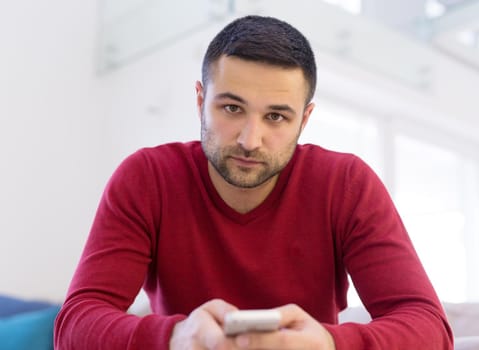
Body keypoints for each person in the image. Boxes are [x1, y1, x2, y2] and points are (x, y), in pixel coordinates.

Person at [54, 15, 453, 350]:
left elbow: (431, 328)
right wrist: (176, 336)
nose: (250, 139)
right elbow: (74, 325)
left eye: (276, 116)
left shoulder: (346, 184)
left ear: (305, 119)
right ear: (200, 101)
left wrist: (330, 344)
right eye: (231, 108)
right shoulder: (147, 178)